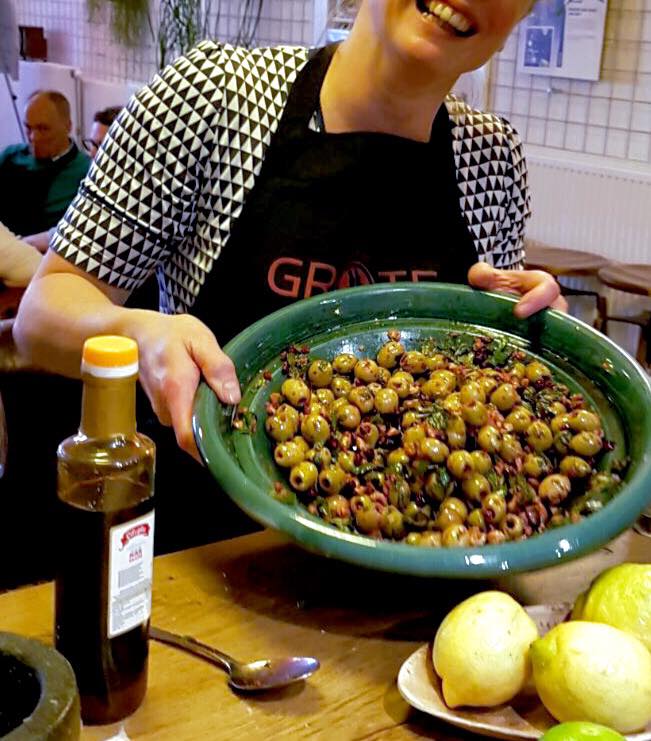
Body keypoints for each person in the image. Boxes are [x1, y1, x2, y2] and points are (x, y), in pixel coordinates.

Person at [14, 0, 567, 552]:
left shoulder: (491, 159)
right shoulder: (214, 100)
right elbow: (41, 314)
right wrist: (141, 333)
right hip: (209, 557)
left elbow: (489, 388)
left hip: (416, 565)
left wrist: (537, 340)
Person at [22, 105, 124, 254]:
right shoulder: (97, 184)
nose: (92, 153)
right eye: (92, 144)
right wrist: (17, 244)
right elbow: (63, 232)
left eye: (103, 146)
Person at [0, 90, 89, 237]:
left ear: (68, 126)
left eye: (43, 129)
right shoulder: (10, 156)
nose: (33, 137)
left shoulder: (84, 171)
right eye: (28, 127)